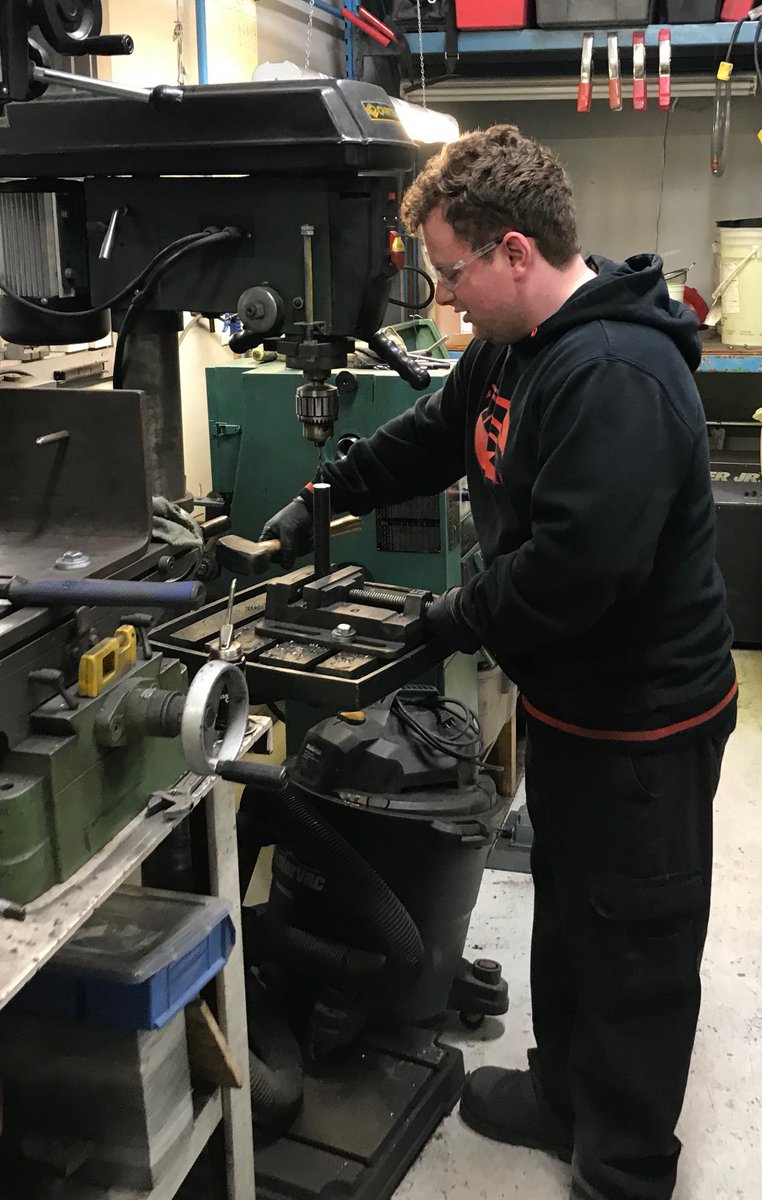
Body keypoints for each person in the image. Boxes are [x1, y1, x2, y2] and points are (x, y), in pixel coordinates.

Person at [258, 125, 737, 1200]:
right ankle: (563, 1095)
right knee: (569, 919)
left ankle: (623, 1165)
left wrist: (447, 621)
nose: (445, 298)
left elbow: (580, 570)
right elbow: (436, 435)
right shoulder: (513, 350)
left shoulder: (615, 373)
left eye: (451, 272)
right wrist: (325, 498)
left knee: (635, 951)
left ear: (515, 251)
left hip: (646, 725)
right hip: (575, 708)